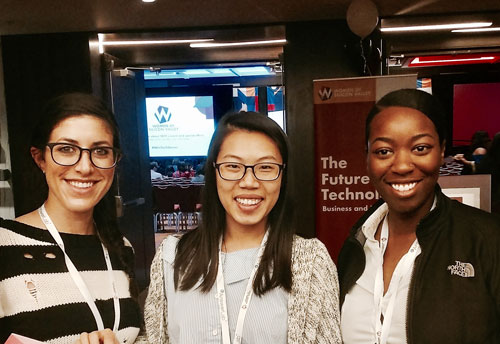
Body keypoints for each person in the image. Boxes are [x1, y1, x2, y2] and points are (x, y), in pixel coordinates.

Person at [142, 111, 342, 343]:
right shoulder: (172, 256)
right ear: (214, 171)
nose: (249, 182)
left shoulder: (311, 261)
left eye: (266, 167)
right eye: (233, 166)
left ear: (282, 176)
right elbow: (155, 337)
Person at [338, 89, 500, 344]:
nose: (402, 165)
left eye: (420, 148)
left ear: (442, 151)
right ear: (367, 158)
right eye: (383, 151)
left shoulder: (489, 240)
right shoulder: (357, 243)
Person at [0, 93, 142, 344]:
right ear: (40, 158)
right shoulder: (5, 245)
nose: (85, 167)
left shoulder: (120, 247)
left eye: (100, 151)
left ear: (114, 161)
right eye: (66, 149)